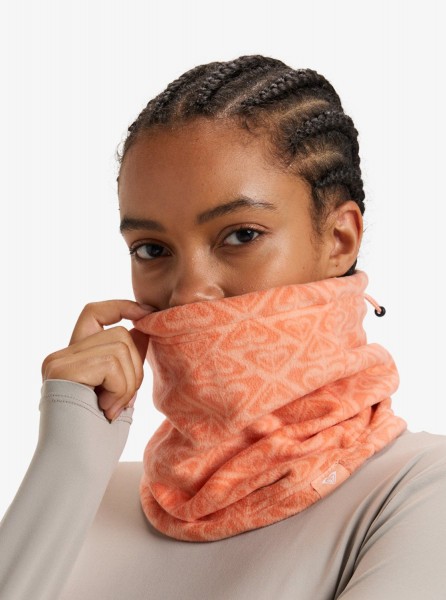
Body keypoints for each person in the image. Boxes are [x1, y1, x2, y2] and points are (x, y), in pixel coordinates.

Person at [1, 54, 445, 599]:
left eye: (241, 235)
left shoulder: (419, 490)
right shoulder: (86, 494)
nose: (188, 291)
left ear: (339, 240)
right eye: (151, 249)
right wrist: (66, 463)